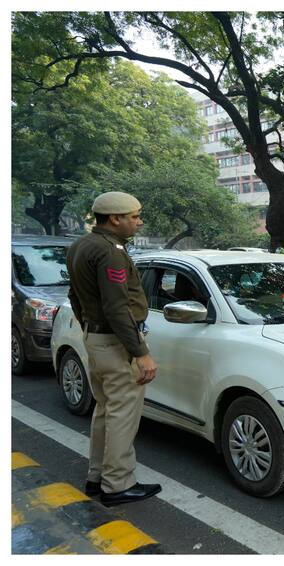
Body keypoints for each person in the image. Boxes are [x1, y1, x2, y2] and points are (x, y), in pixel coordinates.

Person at [66, 191, 161, 506]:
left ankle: (97, 478)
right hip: (116, 342)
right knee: (122, 414)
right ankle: (117, 485)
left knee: (106, 411)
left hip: (97, 337)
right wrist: (140, 352)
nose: (139, 222)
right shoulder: (111, 252)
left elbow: (74, 297)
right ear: (115, 218)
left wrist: (90, 329)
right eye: (134, 217)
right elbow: (118, 307)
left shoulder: (81, 246)